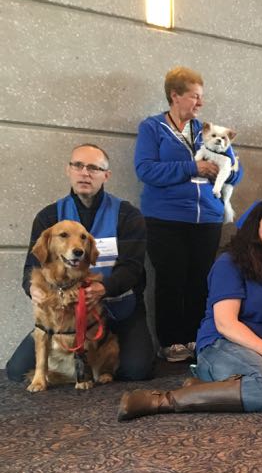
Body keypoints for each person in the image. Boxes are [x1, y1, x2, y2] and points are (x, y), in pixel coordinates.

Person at [117, 199, 262, 420]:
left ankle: (219, 387)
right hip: (221, 347)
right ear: (254, 226)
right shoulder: (230, 263)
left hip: (260, 356)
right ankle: (161, 400)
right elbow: (226, 324)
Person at [6, 144, 154, 383]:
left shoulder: (128, 215)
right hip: (63, 312)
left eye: (94, 168)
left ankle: (89, 363)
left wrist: (103, 289)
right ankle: (73, 364)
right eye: (78, 165)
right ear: (69, 170)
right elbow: (30, 267)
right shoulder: (48, 216)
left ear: (106, 175)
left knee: (136, 371)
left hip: (119, 310)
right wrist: (32, 289)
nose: (85, 173)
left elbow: (133, 268)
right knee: (16, 371)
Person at [134, 66, 243, 363]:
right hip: (165, 218)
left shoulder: (207, 130)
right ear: (175, 96)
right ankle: (171, 342)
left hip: (206, 218)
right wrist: (191, 168)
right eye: (195, 96)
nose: (200, 103)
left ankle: (198, 338)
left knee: (200, 280)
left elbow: (235, 169)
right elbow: (145, 170)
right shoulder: (153, 128)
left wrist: (226, 174)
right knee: (170, 280)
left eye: (201, 97)